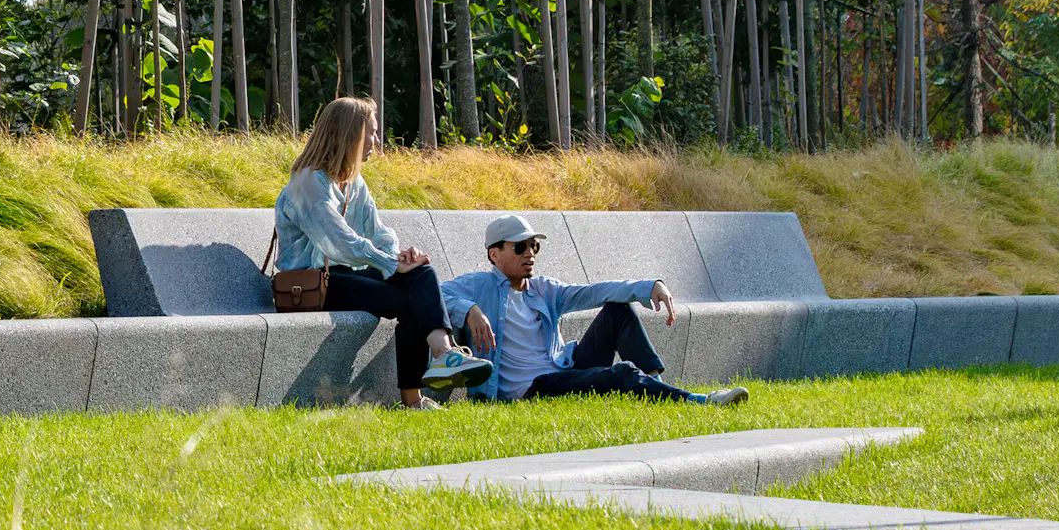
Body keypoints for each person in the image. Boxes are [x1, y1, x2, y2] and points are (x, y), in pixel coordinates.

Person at [273, 97, 488, 409]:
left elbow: (378, 231)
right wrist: (388, 263)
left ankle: (444, 354)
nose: (377, 141)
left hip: (348, 274)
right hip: (315, 282)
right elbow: (336, 240)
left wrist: (400, 257)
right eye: (371, 133)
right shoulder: (309, 182)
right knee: (408, 300)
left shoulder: (353, 182)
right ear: (350, 135)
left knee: (421, 272)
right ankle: (420, 389)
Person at [439, 212, 751, 407]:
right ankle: (701, 401)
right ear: (495, 254)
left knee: (617, 310)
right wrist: (469, 310)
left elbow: (595, 292)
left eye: (534, 246)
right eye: (520, 247)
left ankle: (655, 387)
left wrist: (648, 286)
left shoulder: (544, 289)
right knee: (623, 373)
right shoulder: (478, 287)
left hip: (562, 370)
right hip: (531, 390)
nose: (530, 253)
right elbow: (436, 296)